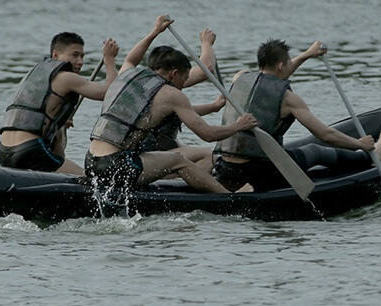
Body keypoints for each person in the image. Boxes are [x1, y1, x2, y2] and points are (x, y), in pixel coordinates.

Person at [85, 16, 258, 194]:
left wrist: (155, 32)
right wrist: (239, 125)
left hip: (91, 161)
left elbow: (130, 59)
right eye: (184, 77)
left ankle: (189, 181)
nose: (184, 83)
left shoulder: (128, 75)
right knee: (178, 159)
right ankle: (228, 198)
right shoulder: (172, 94)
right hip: (115, 167)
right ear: (174, 73)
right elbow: (207, 134)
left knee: (174, 156)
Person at [213, 38, 381, 192]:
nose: (291, 65)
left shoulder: (239, 78)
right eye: (288, 62)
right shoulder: (289, 99)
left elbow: (273, 78)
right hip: (261, 172)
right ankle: (372, 157)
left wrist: (307, 54)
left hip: (226, 168)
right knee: (316, 150)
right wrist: (359, 144)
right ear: (282, 65)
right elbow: (325, 135)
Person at [0, 32, 119, 175]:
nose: (80, 62)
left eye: (82, 56)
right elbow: (110, 93)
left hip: (3, 152)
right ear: (55, 55)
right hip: (30, 152)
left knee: (59, 137)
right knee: (93, 182)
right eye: (74, 55)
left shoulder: (34, 76)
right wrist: (109, 60)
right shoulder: (67, 78)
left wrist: (58, 122)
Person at [123, 17, 227, 172]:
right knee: (212, 155)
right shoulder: (167, 86)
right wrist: (206, 43)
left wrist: (214, 107)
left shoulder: (137, 80)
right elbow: (206, 68)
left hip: (141, 149)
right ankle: (175, 179)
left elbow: (182, 112)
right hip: (148, 152)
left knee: (184, 147)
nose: (185, 80)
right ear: (173, 72)